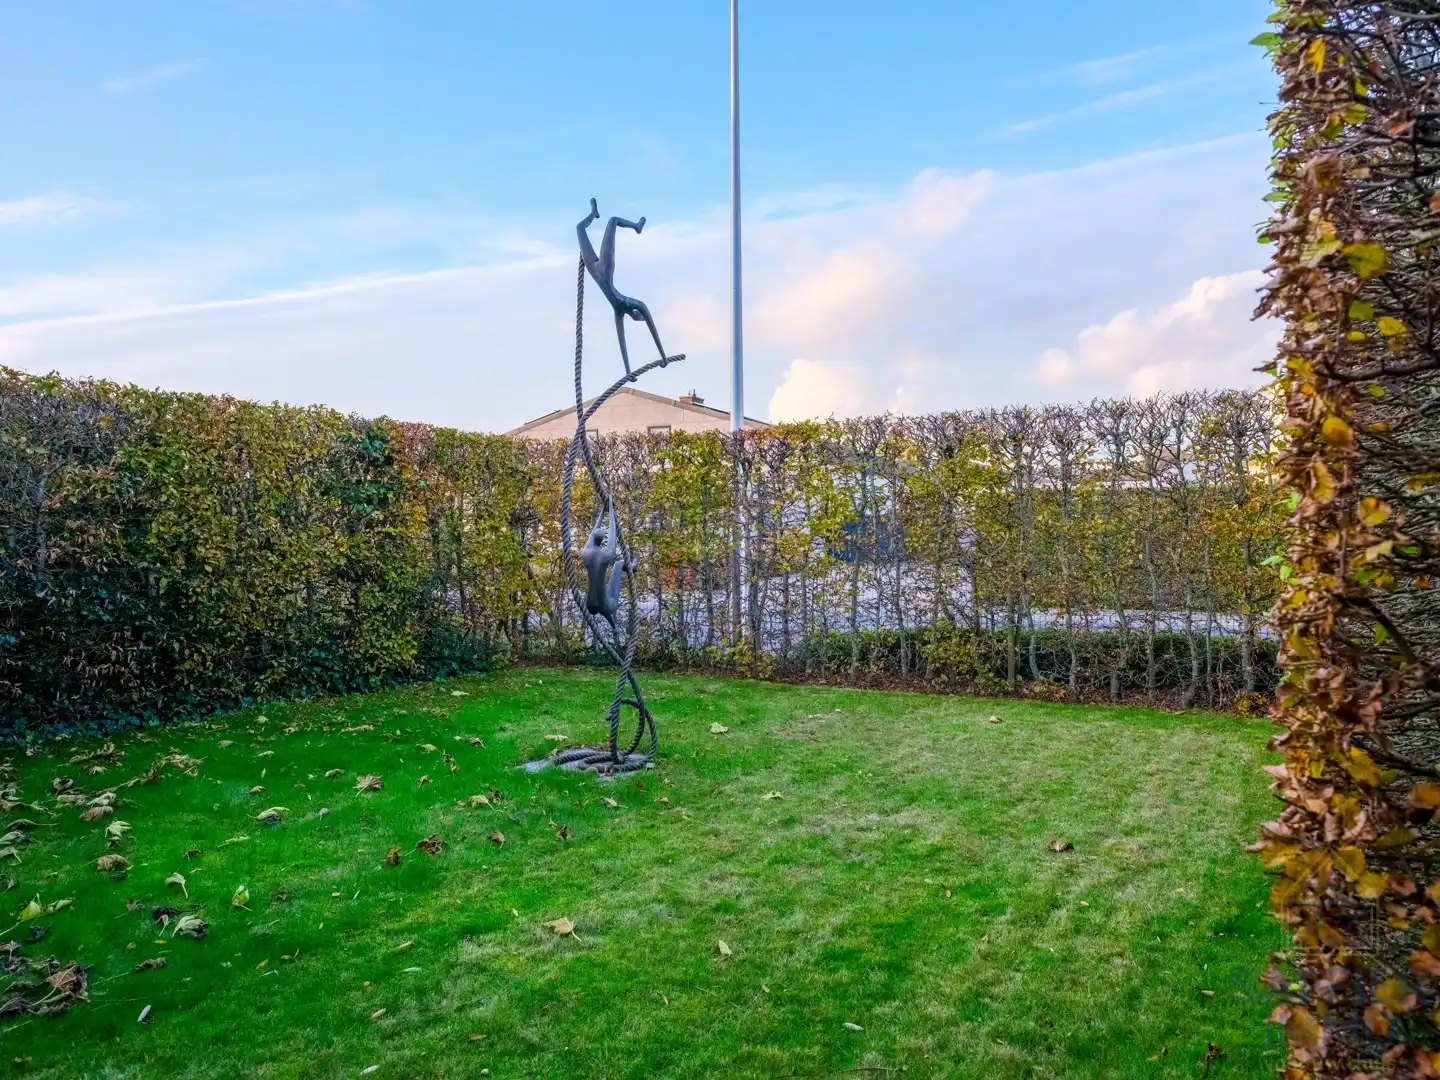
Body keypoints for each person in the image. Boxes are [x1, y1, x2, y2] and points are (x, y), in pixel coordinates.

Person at [578, 198, 668, 375]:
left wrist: (628, 372)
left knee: (580, 228)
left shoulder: (618, 311)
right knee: (612, 221)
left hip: (595, 269)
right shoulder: (633, 304)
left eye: (638, 316)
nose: (638, 314)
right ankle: (636, 227)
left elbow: (622, 346)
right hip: (604, 269)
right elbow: (652, 328)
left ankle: (595, 214)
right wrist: (663, 357)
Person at [581, 498, 630, 626]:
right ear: (603, 540)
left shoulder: (585, 553)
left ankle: (613, 626)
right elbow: (612, 532)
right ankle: (632, 566)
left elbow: (593, 533)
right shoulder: (606, 555)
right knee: (618, 565)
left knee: (605, 590)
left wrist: (603, 512)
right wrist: (611, 510)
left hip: (589, 604)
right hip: (604, 604)